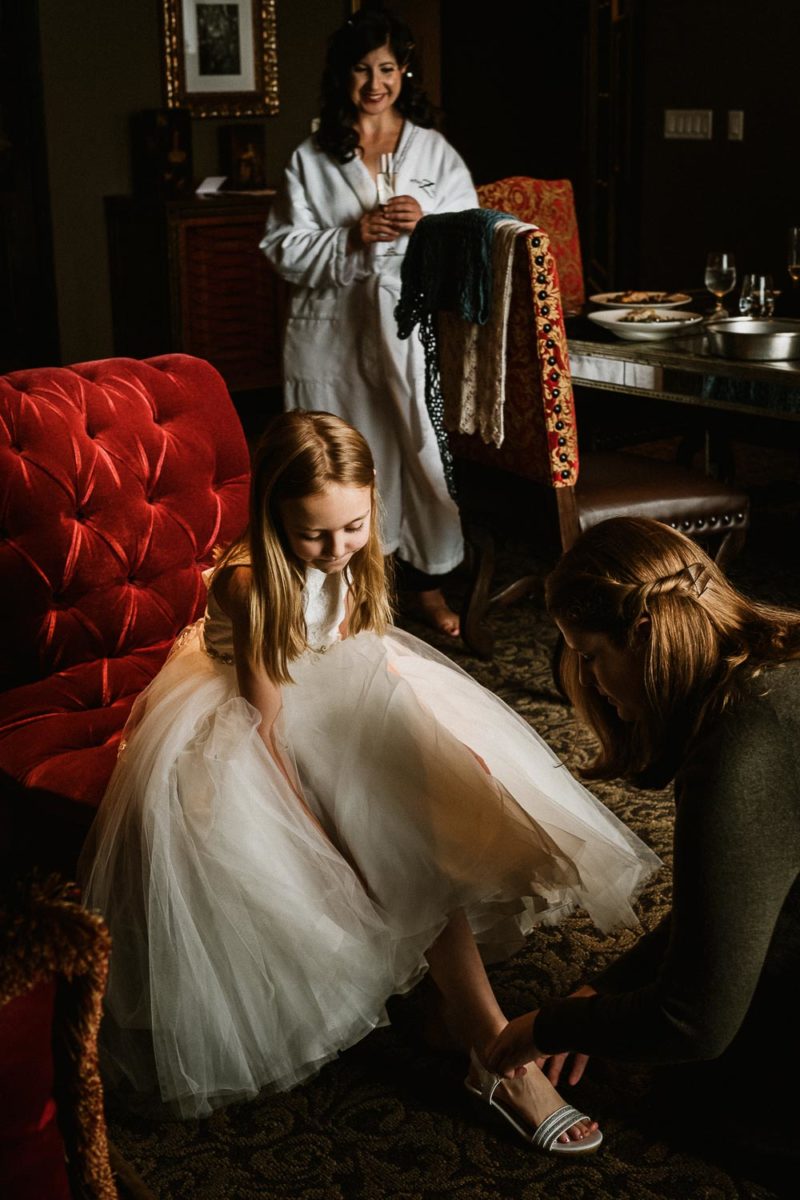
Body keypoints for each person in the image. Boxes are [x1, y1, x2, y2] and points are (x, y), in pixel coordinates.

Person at [79, 411, 659, 1152]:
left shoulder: (353, 551)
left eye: (352, 527)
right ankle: (494, 1053)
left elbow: (365, 657)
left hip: (336, 689)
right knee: (393, 837)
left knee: (445, 789)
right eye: (313, 535)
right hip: (258, 716)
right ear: (274, 517)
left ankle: (450, 1007)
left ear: (371, 501)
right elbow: (269, 724)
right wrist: (313, 835)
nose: (335, 550)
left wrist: (438, 733)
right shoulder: (258, 584)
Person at [486, 515, 800, 1170]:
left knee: (699, 1092)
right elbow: (744, 893)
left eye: (591, 655)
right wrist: (609, 988)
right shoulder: (773, 659)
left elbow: (695, 1022)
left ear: (642, 636)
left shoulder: (742, 743)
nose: (590, 679)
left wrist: (543, 1028)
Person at [260, 7, 478, 638]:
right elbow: (279, 247)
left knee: (415, 452)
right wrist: (351, 236)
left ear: (405, 72)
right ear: (342, 76)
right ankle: (349, 596)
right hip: (335, 334)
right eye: (362, 69)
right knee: (344, 455)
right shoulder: (312, 157)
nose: (375, 82)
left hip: (407, 331)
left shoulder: (432, 151)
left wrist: (429, 223)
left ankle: (427, 585)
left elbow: (474, 239)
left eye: (388, 68)